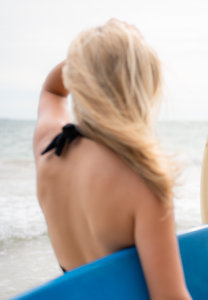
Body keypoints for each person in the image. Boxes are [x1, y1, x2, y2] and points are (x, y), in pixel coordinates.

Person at [33, 19, 191, 299]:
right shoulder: (143, 179)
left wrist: (87, 56)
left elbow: (51, 90)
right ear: (143, 88)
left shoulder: (49, 149)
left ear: (79, 80)